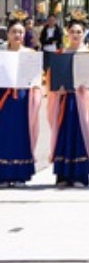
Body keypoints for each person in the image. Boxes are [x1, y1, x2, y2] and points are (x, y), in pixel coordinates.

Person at [46, 20, 89, 187]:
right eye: (72, 31)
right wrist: (56, 88)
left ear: (83, 34)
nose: (75, 35)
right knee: (63, 134)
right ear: (67, 33)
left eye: (79, 32)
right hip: (65, 100)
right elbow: (50, 78)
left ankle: (80, 175)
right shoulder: (60, 54)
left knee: (81, 135)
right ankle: (62, 174)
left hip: (82, 102)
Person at [0, 20, 42, 186]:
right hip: (4, 98)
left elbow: (36, 79)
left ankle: (20, 174)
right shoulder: (2, 54)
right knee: (4, 135)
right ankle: (3, 174)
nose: (17, 35)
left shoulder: (30, 54)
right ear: (8, 34)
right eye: (14, 32)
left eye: (20, 32)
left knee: (22, 134)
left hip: (24, 98)